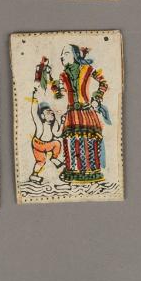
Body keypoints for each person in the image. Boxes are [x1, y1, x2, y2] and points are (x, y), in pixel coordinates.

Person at [52, 45, 110, 183]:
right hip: (72, 113)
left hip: (86, 111)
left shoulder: (88, 69)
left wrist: (97, 98)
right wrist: (56, 89)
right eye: (62, 54)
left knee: (89, 141)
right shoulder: (63, 75)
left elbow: (103, 82)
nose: (62, 57)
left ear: (75, 55)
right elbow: (60, 93)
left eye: (66, 53)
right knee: (72, 142)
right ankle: (73, 173)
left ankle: (92, 173)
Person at [27, 88, 63, 183]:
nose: (51, 114)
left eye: (52, 113)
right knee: (40, 161)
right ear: (42, 116)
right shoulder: (40, 124)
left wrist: (62, 122)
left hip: (48, 144)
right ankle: (34, 175)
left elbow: (58, 134)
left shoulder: (53, 125)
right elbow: (34, 113)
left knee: (57, 143)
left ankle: (54, 158)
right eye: (48, 112)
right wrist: (35, 99)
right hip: (38, 144)